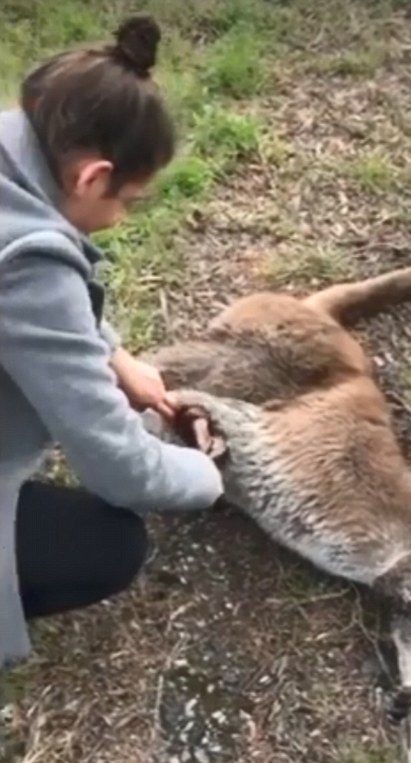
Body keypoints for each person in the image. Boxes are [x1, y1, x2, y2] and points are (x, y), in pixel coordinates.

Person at [0, 16, 224, 670]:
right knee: (109, 546)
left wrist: (113, 353)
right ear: (92, 177)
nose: (122, 217)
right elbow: (120, 470)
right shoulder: (30, 265)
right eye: (129, 199)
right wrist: (207, 475)